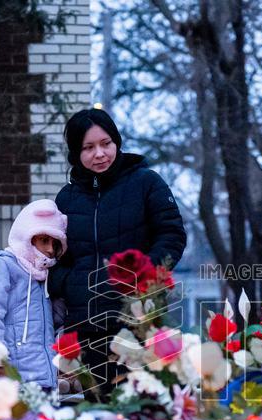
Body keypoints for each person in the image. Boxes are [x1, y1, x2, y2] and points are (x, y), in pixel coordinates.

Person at [49, 108, 186, 394]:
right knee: (95, 418)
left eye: (106, 143)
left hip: (136, 322)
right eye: (88, 148)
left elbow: (171, 236)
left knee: (140, 409)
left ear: (117, 142)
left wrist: (143, 277)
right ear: (76, 153)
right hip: (85, 327)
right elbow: (54, 257)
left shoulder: (146, 183)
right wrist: (69, 283)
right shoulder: (66, 199)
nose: (99, 154)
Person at [0, 199, 67, 390]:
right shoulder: (4, 265)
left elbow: (58, 325)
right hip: (10, 380)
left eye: (55, 243)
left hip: (45, 380)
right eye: (43, 240)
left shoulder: (48, 275)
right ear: (28, 237)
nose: (50, 249)